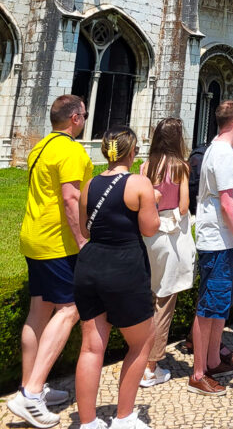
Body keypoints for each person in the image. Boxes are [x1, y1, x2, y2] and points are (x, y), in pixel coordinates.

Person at [9, 95, 93, 429]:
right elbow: (71, 198)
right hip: (56, 242)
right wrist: (83, 241)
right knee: (70, 310)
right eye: (84, 115)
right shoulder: (71, 150)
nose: (85, 119)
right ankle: (30, 395)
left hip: (34, 236)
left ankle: (33, 386)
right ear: (74, 118)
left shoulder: (41, 146)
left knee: (39, 311)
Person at [73, 126, 159, 429]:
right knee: (140, 343)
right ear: (132, 152)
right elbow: (150, 228)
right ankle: (123, 418)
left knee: (90, 347)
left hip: (89, 266)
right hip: (124, 267)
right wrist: (154, 201)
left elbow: (85, 231)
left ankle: (88, 422)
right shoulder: (139, 183)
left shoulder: (89, 185)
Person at [189, 100, 233, 397]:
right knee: (208, 307)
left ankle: (212, 360)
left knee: (216, 305)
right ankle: (199, 373)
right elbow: (227, 201)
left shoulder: (217, 148)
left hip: (218, 238)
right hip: (219, 239)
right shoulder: (224, 153)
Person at [139, 118, 195, 388]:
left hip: (149, 237)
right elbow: (183, 207)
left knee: (148, 296)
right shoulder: (180, 167)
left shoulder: (146, 166)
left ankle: (138, 358)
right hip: (170, 238)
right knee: (164, 300)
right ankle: (151, 366)